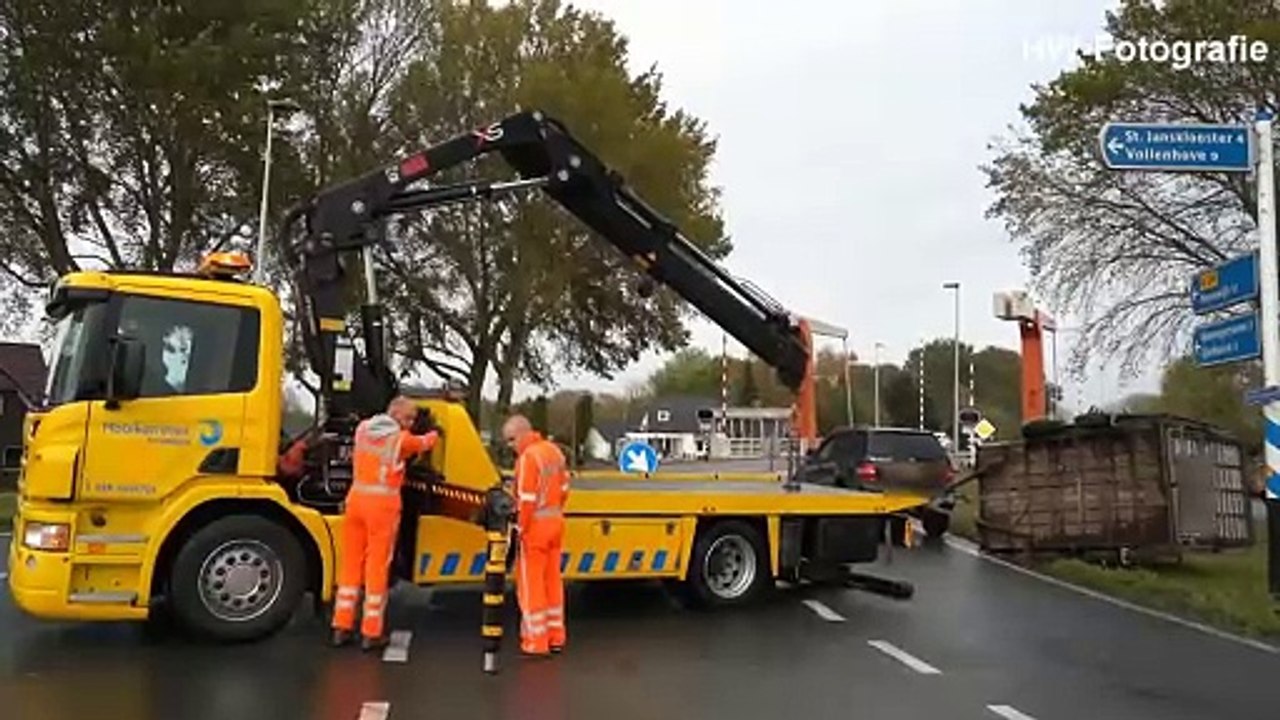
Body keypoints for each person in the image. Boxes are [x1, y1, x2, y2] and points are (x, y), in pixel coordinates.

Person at [332, 397, 440, 650]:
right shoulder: (401, 440)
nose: (411, 423)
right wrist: (434, 430)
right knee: (377, 567)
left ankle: (341, 626)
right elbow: (425, 443)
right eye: (409, 418)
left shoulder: (362, 430)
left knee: (350, 565)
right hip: (383, 506)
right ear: (396, 415)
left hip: (355, 501)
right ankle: (371, 632)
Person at [503, 414, 570, 657]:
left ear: (522, 433)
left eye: (511, 439)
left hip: (534, 529)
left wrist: (518, 530)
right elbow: (564, 489)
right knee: (552, 582)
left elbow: (526, 501)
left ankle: (536, 641)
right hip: (555, 523)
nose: (510, 445)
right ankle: (556, 637)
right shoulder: (554, 452)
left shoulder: (528, 458)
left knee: (531, 586)